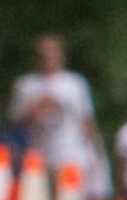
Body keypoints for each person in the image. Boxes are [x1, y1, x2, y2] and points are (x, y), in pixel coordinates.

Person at [10, 34, 98, 181]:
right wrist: (33, 108)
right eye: (44, 53)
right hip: (36, 156)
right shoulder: (25, 85)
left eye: (53, 52)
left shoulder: (75, 84)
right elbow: (14, 120)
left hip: (71, 154)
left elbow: (87, 120)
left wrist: (94, 155)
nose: (48, 57)